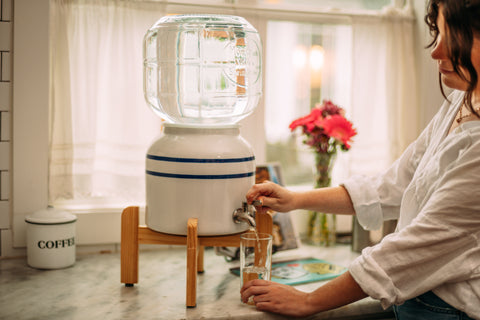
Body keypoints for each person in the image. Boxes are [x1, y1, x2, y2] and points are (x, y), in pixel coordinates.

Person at [240, 0, 480, 319]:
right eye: (438, 34)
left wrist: (311, 300)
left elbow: (416, 246)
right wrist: (295, 199)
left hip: (450, 310)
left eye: (455, 37)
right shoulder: (462, 100)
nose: (436, 52)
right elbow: (392, 186)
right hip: (417, 300)